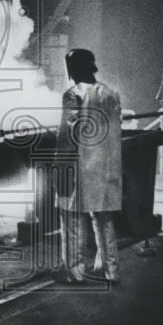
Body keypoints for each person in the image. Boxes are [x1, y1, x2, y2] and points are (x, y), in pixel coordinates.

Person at [55, 48, 124, 284]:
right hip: (106, 167)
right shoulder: (111, 94)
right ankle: (111, 271)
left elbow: (71, 133)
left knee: (73, 219)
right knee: (103, 218)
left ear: (74, 69)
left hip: (80, 166)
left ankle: (75, 273)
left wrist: (61, 166)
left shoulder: (73, 94)